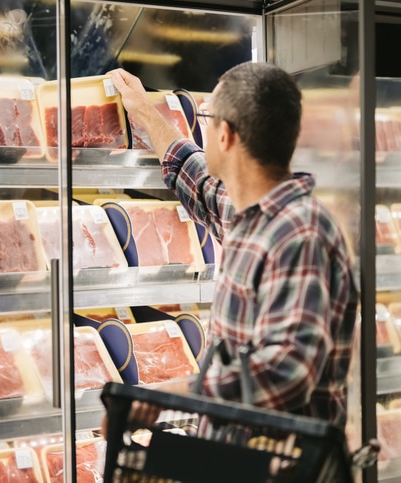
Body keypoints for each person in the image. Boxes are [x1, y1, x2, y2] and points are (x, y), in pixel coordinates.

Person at [106, 62, 357, 429]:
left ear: (225, 135)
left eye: (207, 118)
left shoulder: (299, 233)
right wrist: (145, 113)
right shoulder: (250, 213)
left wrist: (169, 396)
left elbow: (287, 372)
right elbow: (198, 179)